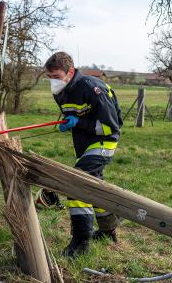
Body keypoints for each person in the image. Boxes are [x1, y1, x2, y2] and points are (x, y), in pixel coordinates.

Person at [41, 51, 123, 258]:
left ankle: (80, 241)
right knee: (94, 185)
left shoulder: (91, 87)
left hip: (104, 141)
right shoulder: (60, 91)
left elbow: (110, 127)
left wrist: (80, 123)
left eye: (56, 77)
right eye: (49, 78)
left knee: (78, 181)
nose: (53, 82)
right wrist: (67, 122)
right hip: (84, 144)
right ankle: (108, 230)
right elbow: (72, 113)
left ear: (70, 71)